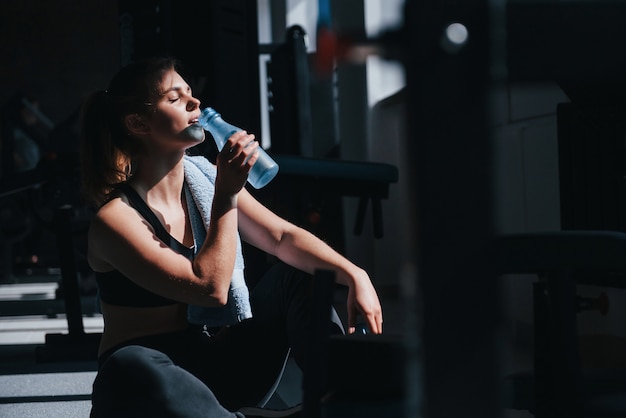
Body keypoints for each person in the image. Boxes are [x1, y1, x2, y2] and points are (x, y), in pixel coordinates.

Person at [80, 57, 383, 418]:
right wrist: (226, 195)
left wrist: (354, 274)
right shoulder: (115, 219)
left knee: (294, 278)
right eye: (175, 99)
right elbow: (209, 288)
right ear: (138, 123)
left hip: (213, 366)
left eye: (191, 94)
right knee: (128, 366)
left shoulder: (203, 177)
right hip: (152, 385)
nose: (195, 103)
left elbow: (281, 237)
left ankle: (343, 398)